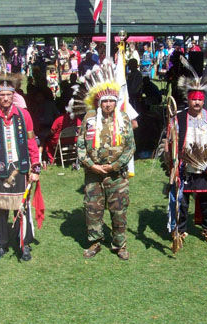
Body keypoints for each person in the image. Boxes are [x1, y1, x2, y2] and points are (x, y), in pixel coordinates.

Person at [77, 61, 135, 260]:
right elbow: (80, 146)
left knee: (119, 211)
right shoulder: (90, 118)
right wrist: (92, 165)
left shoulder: (124, 119)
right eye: (104, 102)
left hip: (117, 176)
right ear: (99, 103)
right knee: (93, 210)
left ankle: (120, 245)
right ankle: (95, 242)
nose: (108, 104)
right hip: (93, 175)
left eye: (111, 101)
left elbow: (130, 147)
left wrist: (114, 165)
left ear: (116, 101)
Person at [166, 70, 207, 248]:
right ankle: (180, 232)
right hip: (184, 169)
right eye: (194, 99)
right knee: (181, 203)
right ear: (188, 99)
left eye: (200, 99)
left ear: (203, 99)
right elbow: (169, 143)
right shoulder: (179, 118)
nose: (197, 102)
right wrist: (172, 165)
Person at [0, 78, 42, 261]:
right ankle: (0, 244)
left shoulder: (23, 115)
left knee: (22, 206)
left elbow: (32, 141)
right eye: (1, 95)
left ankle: (23, 243)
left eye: (9, 95)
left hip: (20, 167)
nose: (5, 98)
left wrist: (35, 166)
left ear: (13, 95)